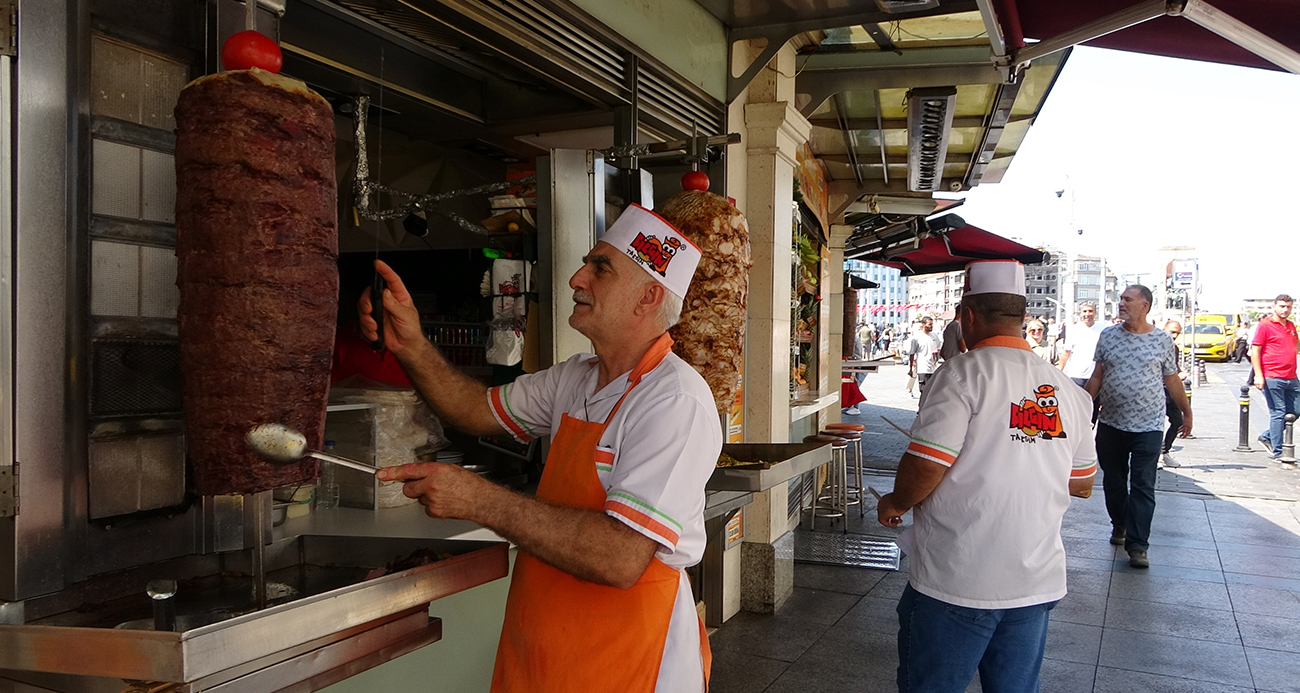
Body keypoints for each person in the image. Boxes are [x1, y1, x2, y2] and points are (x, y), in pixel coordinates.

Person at [362, 205, 720, 693]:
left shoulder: (674, 400)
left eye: (600, 267)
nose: (577, 278)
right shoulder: (576, 377)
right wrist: (411, 345)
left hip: (628, 655)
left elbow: (619, 557)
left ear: (648, 297)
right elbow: (473, 409)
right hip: (541, 650)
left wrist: (480, 500)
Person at [876, 260, 1096, 693]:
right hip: (1035, 580)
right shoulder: (1067, 390)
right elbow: (1082, 482)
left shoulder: (960, 375)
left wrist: (895, 503)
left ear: (968, 317)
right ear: (1022, 317)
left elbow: (926, 467)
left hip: (959, 579)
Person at [1085, 286, 1192, 569]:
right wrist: (1083, 406)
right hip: (1112, 424)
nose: (1121, 304)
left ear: (1144, 305)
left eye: (1127, 300)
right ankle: (1119, 524)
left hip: (1149, 426)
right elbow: (1097, 376)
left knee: (1143, 485)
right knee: (1114, 482)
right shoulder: (1108, 336)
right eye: (1121, 299)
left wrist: (1186, 411)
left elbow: (1171, 379)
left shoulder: (1162, 340)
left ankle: (1138, 545)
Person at [1251, 294, 1299, 460]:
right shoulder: (1265, 325)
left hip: (1291, 376)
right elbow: (1255, 350)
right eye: (1282, 306)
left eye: (1288, 306)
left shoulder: (1291, 326)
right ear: (1274, 306)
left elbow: (1295, 347)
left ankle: (1268, 436)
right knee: (1279, 412)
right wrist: (1258, 375)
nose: (1285, 310)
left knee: (1296, 409)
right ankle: (1278, 451)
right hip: (1273, 376)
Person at [1058, 303, 1104, 388]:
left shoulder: (1103, 328)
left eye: (1090, 311)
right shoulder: (1073, 329)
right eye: (1084, 311)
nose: (1087, 314)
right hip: (1077, 374)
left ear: (1095, 313)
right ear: (1081, 314)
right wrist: (1059, 370)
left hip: (1096, 375)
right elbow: (1066, 352)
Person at [1159, 320, 1186, 469]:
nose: (1173, 335)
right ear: (1164, 329)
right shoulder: (1156, 345)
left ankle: (1165, 451)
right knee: (1157, 423)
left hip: (1171, 390)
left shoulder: (1174, 348)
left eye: (1176, 332)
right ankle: (1156, 456)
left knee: (1177, 421)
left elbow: (1173, 367)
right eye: (1171, 331)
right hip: (1157, 390)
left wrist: (1179, 373)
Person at [907, 316, 942, 397]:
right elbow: (912, 353)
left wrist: (937, 354)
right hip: (923, 367)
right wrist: (910, 369)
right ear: (923, 324)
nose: (931, 326)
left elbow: (939, 347)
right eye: (929, 324)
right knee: (924, 390)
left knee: (932, 390)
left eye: (932, 324)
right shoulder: (917, 337)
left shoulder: (934, 335)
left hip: (933, 367)